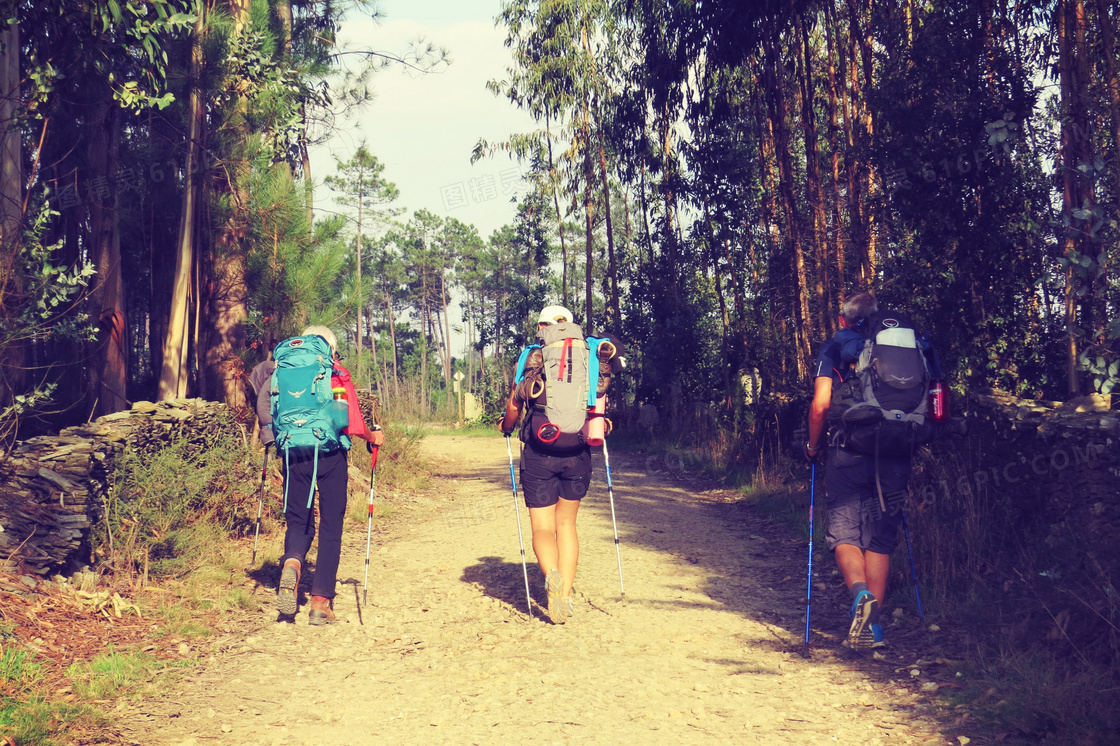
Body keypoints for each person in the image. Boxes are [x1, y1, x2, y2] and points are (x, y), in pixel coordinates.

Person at [804, 292, 920, 650]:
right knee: (881, 538)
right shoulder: (913, 345)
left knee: (844, 534)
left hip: (849, 450)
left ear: (844, 320)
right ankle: (873, 629)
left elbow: (821, 404)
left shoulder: (837, 346)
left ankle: (860, 594)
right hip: (898, 448)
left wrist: (812, 446)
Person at [250, 325, 384, 625]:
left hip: (293, 453)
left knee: (298, 520)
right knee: (331, 526)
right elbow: (351, 421)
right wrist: (373, 438)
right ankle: (321, 602)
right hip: (330, 454)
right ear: (331, 348)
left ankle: (293, 565)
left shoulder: (282, 369)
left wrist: (272, 439)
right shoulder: (333, 371)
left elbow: (264, 405)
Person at [499, 305, 592, 624]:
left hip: (540, 450)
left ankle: (551, 575)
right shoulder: (588, 355)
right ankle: (564, 597)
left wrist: (506, 426)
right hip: (578, 450)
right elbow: (596, 402)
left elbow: (515, 403)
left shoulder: (530, 356)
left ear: (543, 327)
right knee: (567, 525)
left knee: (543, 527)